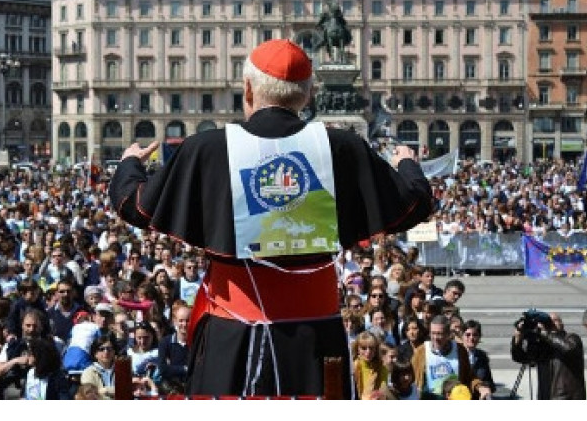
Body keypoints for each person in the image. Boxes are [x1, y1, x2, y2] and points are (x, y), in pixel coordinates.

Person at [109, 38, 433, 398]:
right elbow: (413, 205)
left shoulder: (208, 148)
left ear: (248, 89)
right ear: (308, 95)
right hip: (316, 333)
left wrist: (130, 163)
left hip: (231, 332)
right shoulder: (341, 146)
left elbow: (134, 206)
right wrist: (406, 163)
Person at [510, 309, 586, 399]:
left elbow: (568, 348)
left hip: (566, 397)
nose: (551, 324)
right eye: (549, 321)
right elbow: (520, 358)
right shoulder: (543, 343)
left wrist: (544, 333)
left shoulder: (572, 338)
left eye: (555, 320)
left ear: (562, 324)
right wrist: (518, 339)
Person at [411, 315, 492, 399]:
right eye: (433, 333)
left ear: (448, 334)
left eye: (439, 334)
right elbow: (412, 377)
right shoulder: (421, 352)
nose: (435, 338)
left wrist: (480, 387)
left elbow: (469, 377)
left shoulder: (460, 351)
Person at [462, 319, 496, 393]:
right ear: (462, 336)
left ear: (479, 337)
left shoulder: (482, 356)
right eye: (468, 335)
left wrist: (485, 387)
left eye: (475, 335)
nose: (471, 338)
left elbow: (490, 383)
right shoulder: (456, 354)